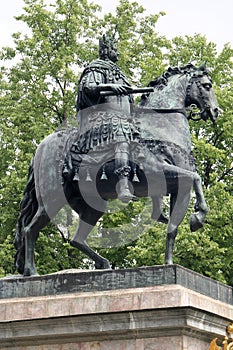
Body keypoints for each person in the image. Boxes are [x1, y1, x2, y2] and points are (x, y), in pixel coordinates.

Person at [75, 34, 139, 202]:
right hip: (102, 119)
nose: (117, 51)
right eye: (114, 48)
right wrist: (110, 86)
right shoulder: (96, 67)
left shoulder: (120, 73)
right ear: (106, 50)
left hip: (124, 119)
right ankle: (123, 186)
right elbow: (88, 88)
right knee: (121, 134)